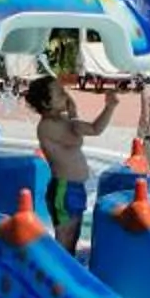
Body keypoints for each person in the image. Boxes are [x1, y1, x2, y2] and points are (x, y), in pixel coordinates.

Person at [24, 74, 119, 252]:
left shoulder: (62, 121)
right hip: (63, 190)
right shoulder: (46, 126)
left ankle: (66, 274)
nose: (65, 94)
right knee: (64, 239)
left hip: (75, 188)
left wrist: (107, 108)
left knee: (72, 240)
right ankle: (56, 276)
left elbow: (92, 129)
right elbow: (87, 130)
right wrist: (108, 107)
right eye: (59, 93)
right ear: (46, 103)